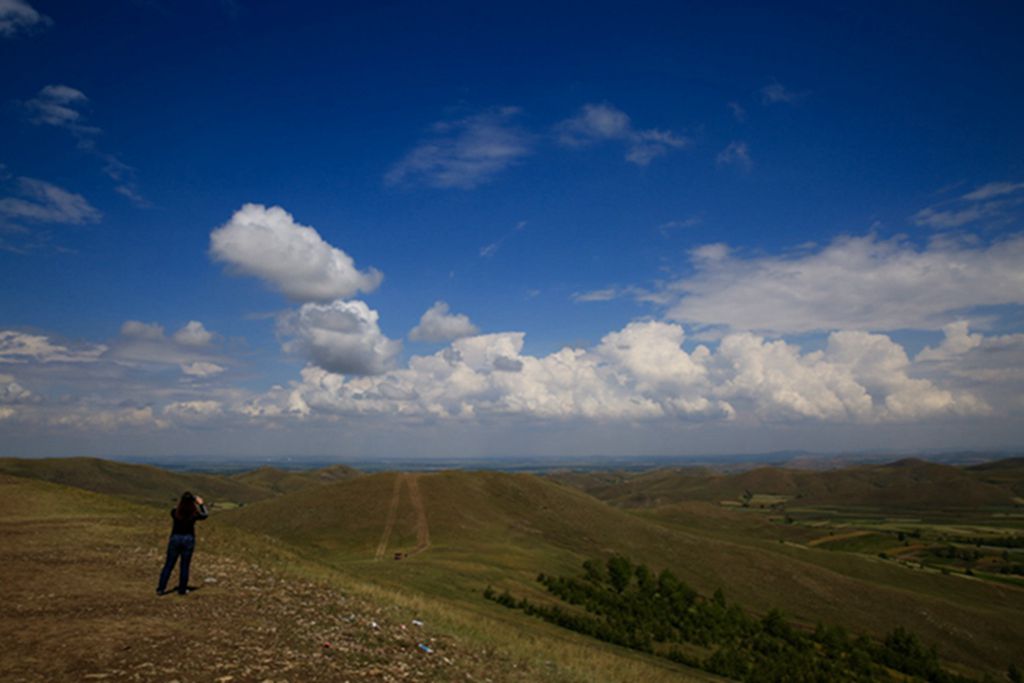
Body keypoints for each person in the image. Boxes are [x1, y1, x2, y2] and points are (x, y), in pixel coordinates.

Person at [156, 491, 208, 596]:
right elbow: (205, 515)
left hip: (175, 538)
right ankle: (182, 589)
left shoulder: (175, 513)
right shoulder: (194, 514)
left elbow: (174, 509)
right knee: (184, 566)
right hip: (188, 539)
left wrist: (181, 502)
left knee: (169, 565)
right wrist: (201, 504)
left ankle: (161, 588)